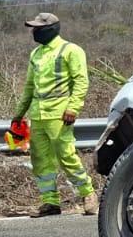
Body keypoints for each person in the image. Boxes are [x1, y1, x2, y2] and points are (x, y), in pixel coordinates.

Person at [12, 11, 96, 216]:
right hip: (38, 115)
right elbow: (29, 87)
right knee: (40, 159)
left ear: (50, 29)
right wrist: (18, 114)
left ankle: (88, 193)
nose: (33, 32)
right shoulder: (36, 54)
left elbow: (81, 81)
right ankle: (50, 202)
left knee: (66, 155)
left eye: (37, 28)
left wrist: (73, 108)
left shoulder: (71, 50)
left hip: (60, 114)